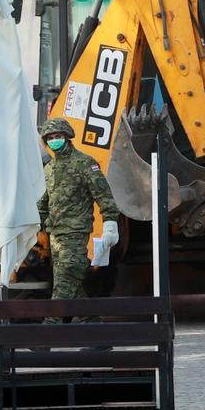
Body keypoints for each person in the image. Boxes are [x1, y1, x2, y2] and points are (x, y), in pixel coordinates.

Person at [37, 118, 123, 305]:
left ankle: (52, 325)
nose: (54, 140)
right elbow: (43, 202)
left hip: (75, 232)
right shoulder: (49, 169)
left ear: (67, 137)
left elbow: (104, 195)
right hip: (55, 235)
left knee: (64, 282)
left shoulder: (84, 163)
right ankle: (89, 320)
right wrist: (34, 225)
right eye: (50, 137)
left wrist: (110, 223)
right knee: (72, 282)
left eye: (58, 136)